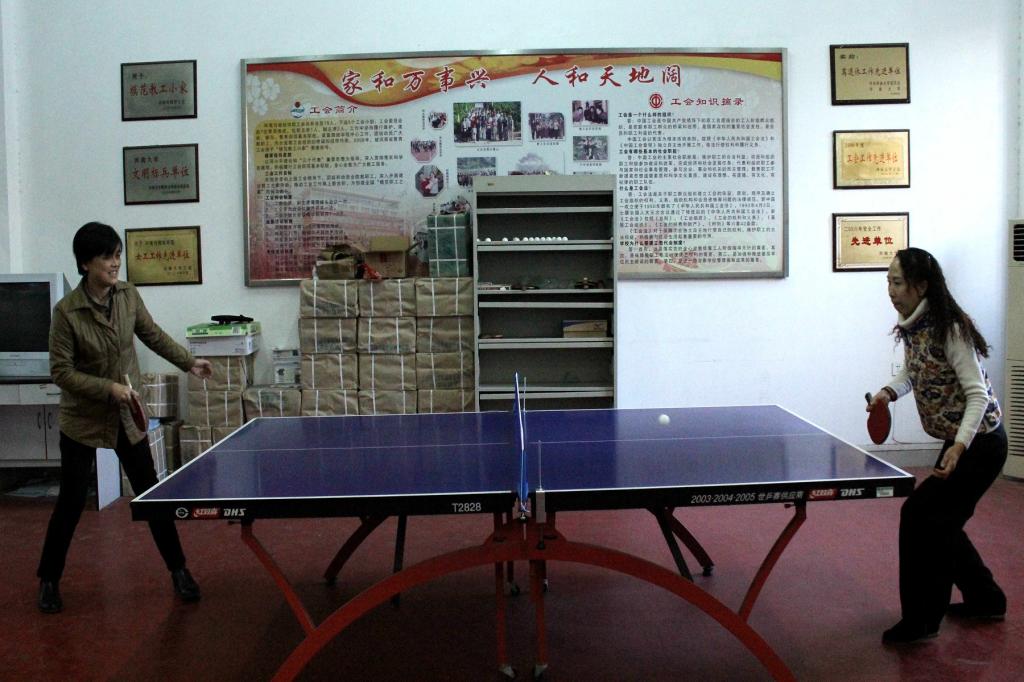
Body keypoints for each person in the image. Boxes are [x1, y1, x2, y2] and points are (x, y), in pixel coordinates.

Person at [36, 222, 213, 614]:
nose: (115, 263)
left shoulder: (128, 295)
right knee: (71, 501)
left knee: (150, 493)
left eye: (118, 255)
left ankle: (179, 571)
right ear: (86, 264)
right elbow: (61, 372)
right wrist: (108, 388)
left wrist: (188, 362)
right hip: (82, 420)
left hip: (127, 417)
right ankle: (48, 579)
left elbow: (153, 335)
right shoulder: (66, 313)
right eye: (107, 257)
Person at [867, 247, 1007, 644]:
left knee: (920, 516)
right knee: (941, 522)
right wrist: (887, 393)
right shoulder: (914, 324)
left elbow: (977, 395)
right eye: (888, 282)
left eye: (897, 282)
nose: (891, 291)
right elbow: (913, 371)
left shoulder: (951, 329)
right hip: (962, 442)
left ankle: (921, 620)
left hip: (982, 444)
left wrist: (958, 447)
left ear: (921, 285)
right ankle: (986, 599)